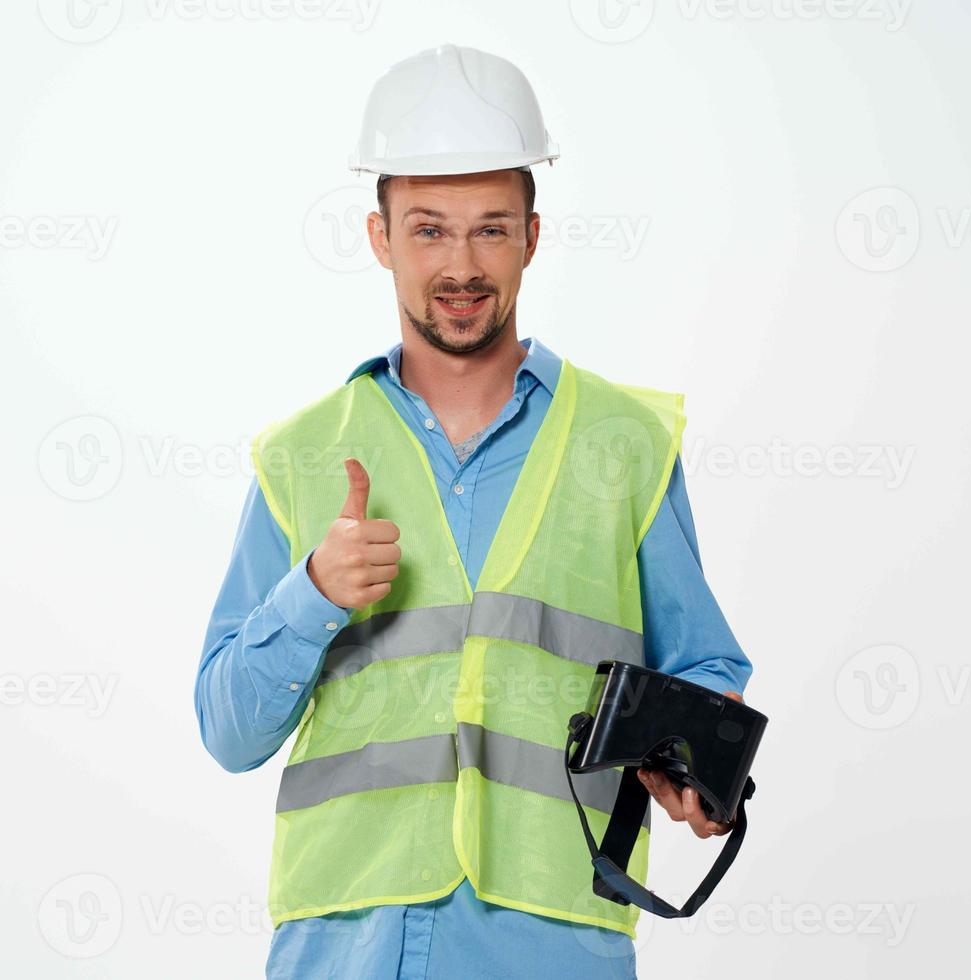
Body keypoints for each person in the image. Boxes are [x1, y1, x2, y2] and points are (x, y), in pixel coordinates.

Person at [194, 43, 753, 980]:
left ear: (533, 236)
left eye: (491, 228)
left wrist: (697, 768)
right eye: (428, 229)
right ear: (380, 238)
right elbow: (227, 731)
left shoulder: (624, 443)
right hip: (345, 942)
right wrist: (312, 597)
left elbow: (702, 669)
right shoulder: (299, 456)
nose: (461, 264)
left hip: (552, 941)